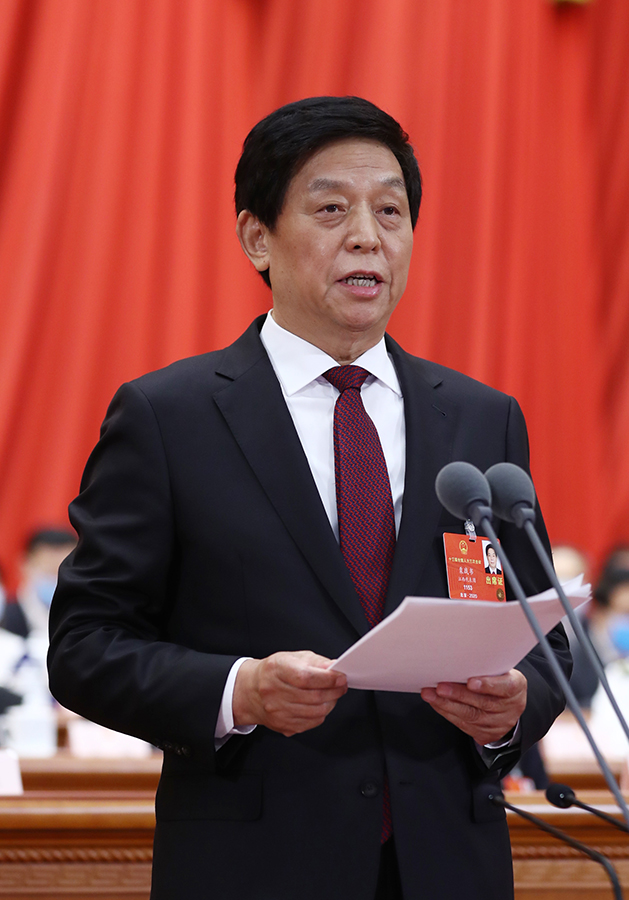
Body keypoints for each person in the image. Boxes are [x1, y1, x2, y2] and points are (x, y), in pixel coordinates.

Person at [47, 96, 571, 900]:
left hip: (447, 865)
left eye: (389, 211)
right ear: (256, 237)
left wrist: (514, 706)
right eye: (331, 209)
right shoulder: (168, 417)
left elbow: (546, 639)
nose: (367, 235)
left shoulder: (480, 419)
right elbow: (86, 646)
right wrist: (239, 690)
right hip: (255, 868)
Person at [1, 528, 77, 639]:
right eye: (49, 572)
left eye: (66, 573)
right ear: (25, 565)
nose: (57, 580)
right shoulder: (6, 618)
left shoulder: (91, 619)